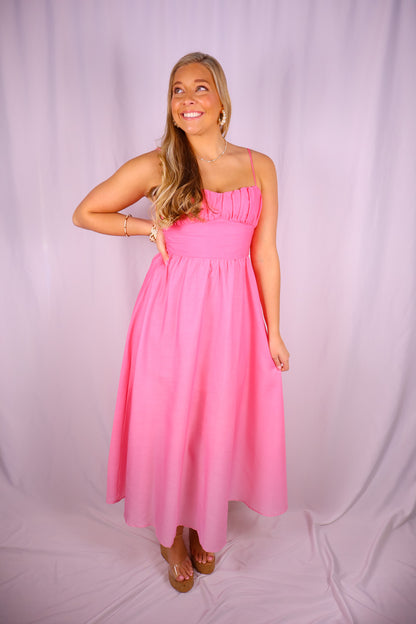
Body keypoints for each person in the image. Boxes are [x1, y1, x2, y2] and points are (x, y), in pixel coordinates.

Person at [73, 51, 289, 593]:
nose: (188, 99)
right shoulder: (159, 165)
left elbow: (265, 253)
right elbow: (86, 212)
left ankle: (204, 523)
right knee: (172, 420)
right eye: (177, 90)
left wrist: (274, 329)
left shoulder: (259, 165)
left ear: (221, 101)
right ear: (171, 105)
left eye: (200, 87)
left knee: (216, 419)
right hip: (172, 314)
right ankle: (170, 534)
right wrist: (146, 229)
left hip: (233, 317)